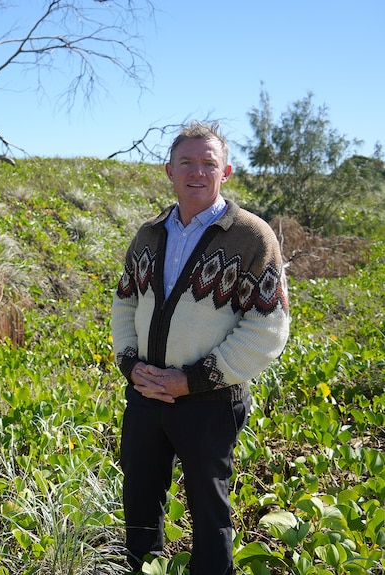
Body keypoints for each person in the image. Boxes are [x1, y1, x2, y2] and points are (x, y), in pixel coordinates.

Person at [110, 121, 290, 574]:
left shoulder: (252, 236)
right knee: (139, 504)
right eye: (186, 162)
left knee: (210, 514)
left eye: (208, 163)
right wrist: (131, 365)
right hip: (146, 393)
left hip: (210, 401)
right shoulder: (148, 233)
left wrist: (191, 380)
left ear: (225, 171)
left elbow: (268, 327)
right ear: (168, 169)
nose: (197, 171)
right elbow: (125, 302)